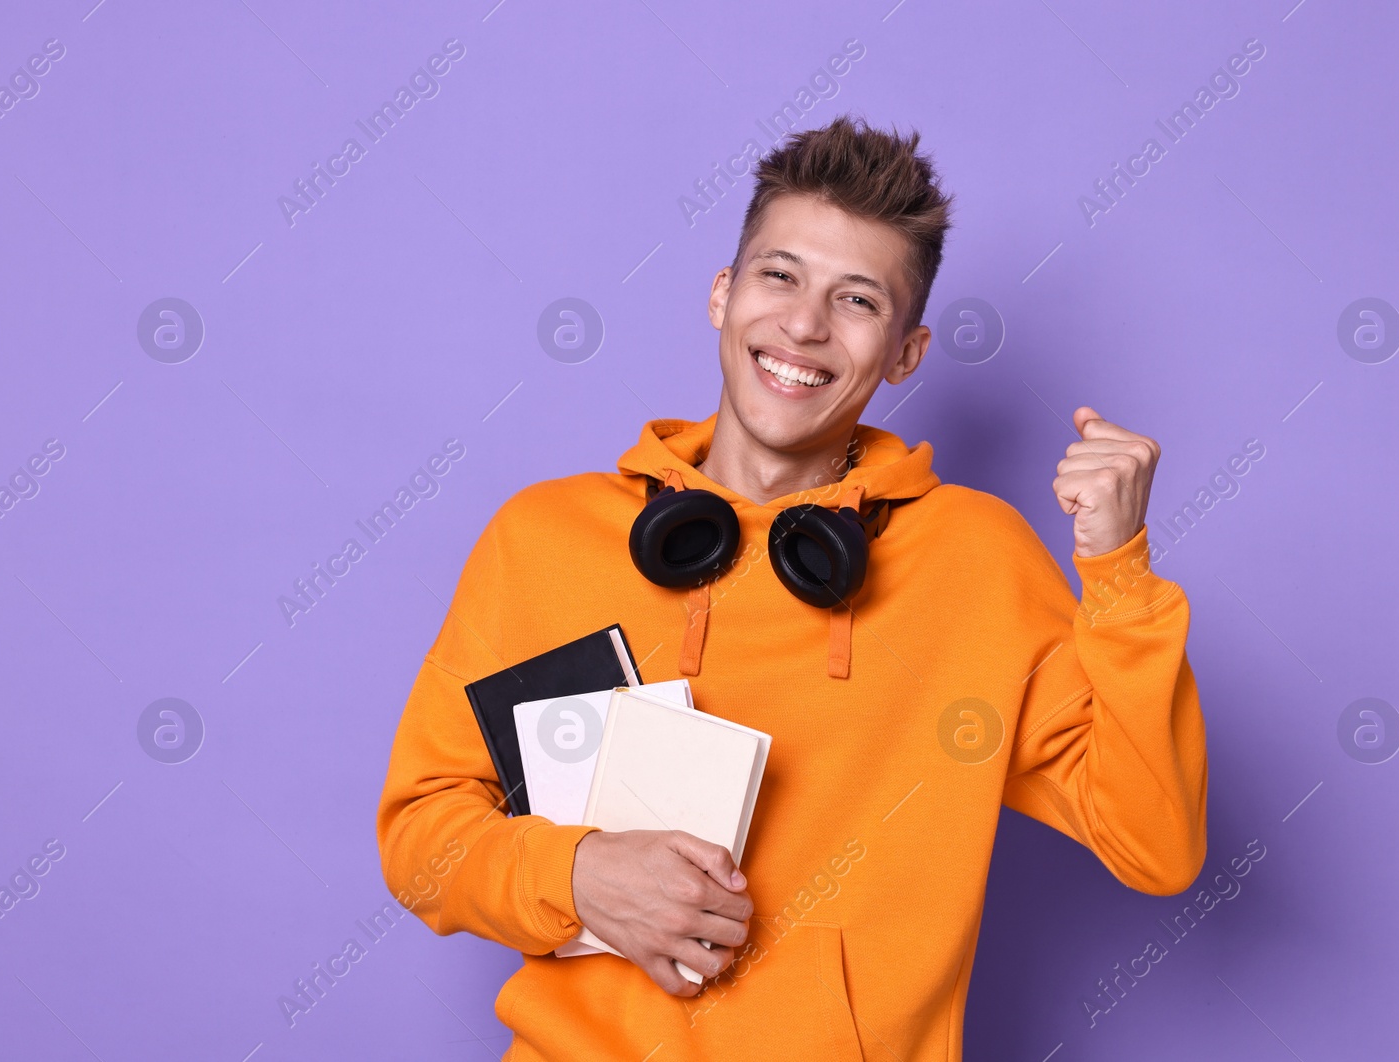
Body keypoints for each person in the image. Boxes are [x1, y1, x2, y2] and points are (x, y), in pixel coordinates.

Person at [376, 112, 1207, 1061]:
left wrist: (1120, 572)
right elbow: (422, 839)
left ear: (906, 352)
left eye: (857, 300)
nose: (804, 324)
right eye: (779, 275)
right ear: (723, 295)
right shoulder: (542, 539)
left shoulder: (980, 562)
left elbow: (1156, 845)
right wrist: (577, 873)